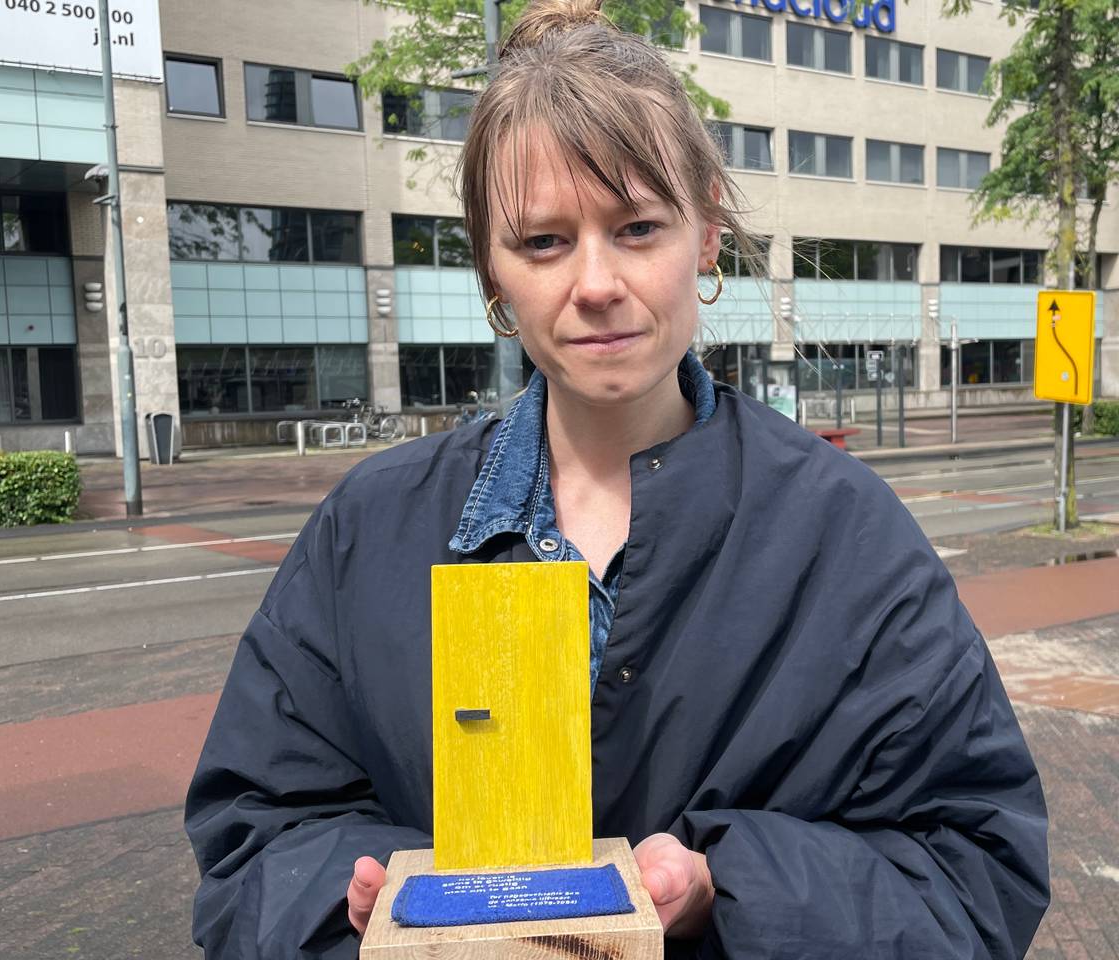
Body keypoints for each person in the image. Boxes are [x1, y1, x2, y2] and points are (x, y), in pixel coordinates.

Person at [184, 1, 1049, 957]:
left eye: (637, 227)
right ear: (492, 270)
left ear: (707, 232)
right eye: (544, 241)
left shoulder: (847, 538)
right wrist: (383, 912)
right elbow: (254, 844)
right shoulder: (365, 532)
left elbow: (977, 869)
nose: (594, 282)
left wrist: (730, 888)